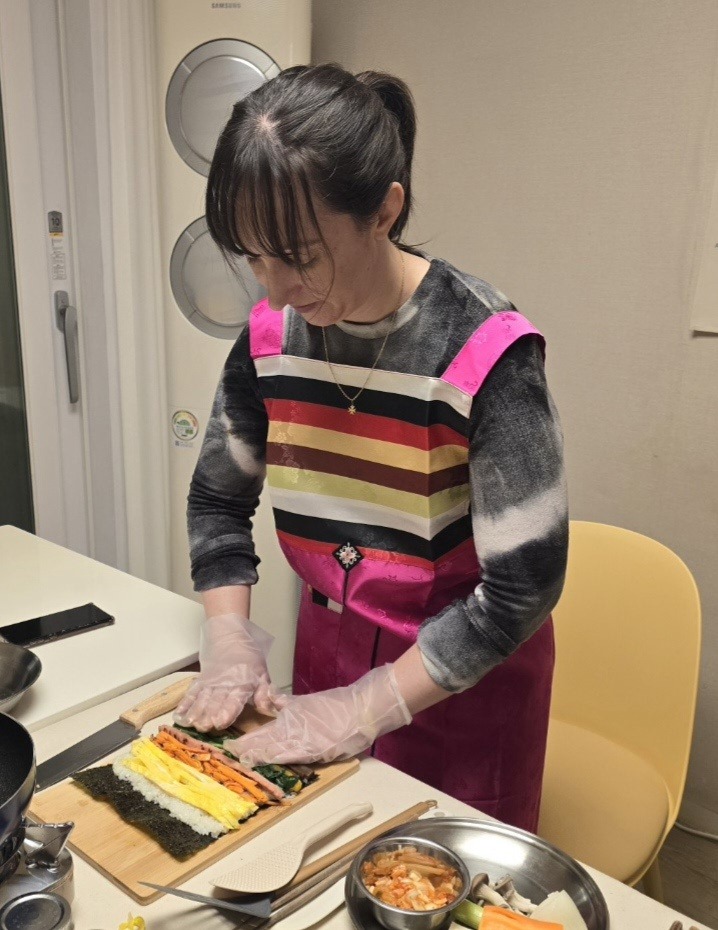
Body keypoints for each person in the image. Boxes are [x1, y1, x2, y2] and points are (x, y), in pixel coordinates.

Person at [173, 62, 569, 833]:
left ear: (383, 211)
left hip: (460, 686)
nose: (277, 290)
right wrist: (228, 639)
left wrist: (372, 704)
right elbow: (219, 499)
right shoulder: (268, 341)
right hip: (328, 654)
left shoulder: (482, 351)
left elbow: (523, 589)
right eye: (253, 258)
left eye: (298, 255)